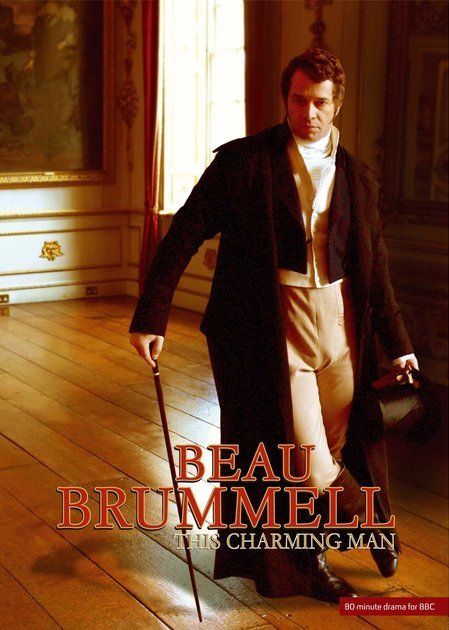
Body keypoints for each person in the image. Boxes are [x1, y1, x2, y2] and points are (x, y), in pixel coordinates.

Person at [129, 48, 418, 603]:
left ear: (336, 105)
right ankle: (372, 522)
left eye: (320, 102)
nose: (308, 112)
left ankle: (312, 560)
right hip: (275, 322)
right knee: (306, 462)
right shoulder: (244, 162)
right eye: (298, 99)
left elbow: (374, 268)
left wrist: (398, 344)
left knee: (335, 451)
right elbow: (186, 229)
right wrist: (151, 314)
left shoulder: (358, 177)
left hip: (342, 325)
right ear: (285, 98)